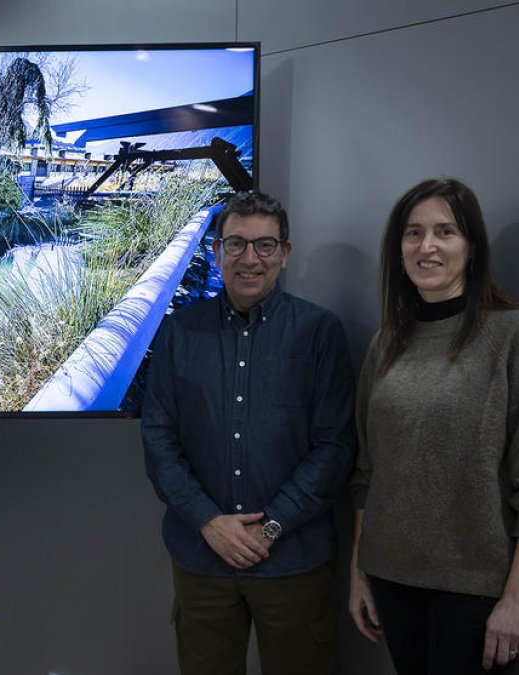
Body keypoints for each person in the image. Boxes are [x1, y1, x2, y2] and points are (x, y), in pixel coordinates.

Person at [347, 178, 519, 674]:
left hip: (476, 589)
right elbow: (368, 471)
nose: (426, 246)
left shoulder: (518, 335)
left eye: (445, 232)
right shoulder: (386, 342)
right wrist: (359, 569)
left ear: (472, 248)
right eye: (413, 234)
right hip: (390, 577)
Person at [142, 191, 357, 675]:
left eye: (264, 245)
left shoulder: (320, 333)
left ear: (285, 253)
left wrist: (272, 525)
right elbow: (159, 441)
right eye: (236, 244)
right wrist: (207, 521)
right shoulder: (180, 332)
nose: (249, 259)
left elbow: (335, 447)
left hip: (294, 562)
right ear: (215, 251)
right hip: (202, 559)